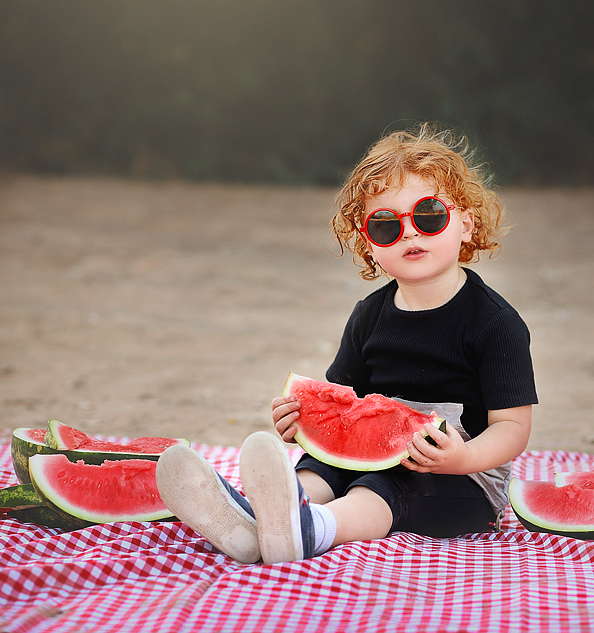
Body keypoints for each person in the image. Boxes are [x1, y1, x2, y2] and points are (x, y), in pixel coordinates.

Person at [155, 123, 537, 565]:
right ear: (368, 244)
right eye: (386, 225)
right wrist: (300, 421)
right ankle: (264, 520)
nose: (410, 233)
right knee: (323, 466)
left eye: (429, 215)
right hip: (378, 459)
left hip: (462, 484)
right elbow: (344, 409)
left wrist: (463, 456)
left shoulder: (495, 323)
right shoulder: (369, 315)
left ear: (465, 225)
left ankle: (314, 528)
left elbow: (512, 427)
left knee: (383, 487)